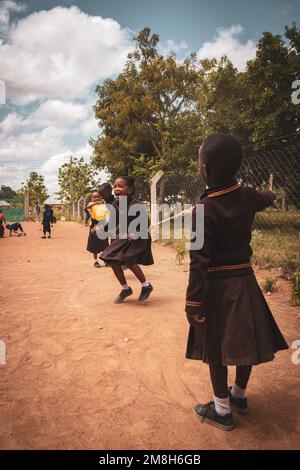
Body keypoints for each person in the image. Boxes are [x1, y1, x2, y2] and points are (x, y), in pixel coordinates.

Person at [185, 133, 288, 431]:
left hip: (217, 288)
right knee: (246, 341)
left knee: (214, 347)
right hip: (245, 281)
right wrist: (265, 193)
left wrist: (193, 301)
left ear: (205, 170)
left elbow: (199, 261)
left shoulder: (204, 209)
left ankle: (221, 410)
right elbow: (265, 197)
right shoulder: (246, 196)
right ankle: (239, 396)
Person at [100, 176, 154, 303]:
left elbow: (145, 223)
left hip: (138, 238)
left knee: (129, 260)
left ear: (129, 191)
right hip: (122, 238)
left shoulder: (137, 205)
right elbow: (112, 222)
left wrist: (134, 233)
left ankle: (146, 286)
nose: (116, 189)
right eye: (115, 186)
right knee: (111, 260)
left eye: (120, 186)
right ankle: (125, 289)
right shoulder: (115, 204)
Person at [85, 191, 110, 268]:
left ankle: (105, 260)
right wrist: (96, 203)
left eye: (98, 197)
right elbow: (86, 208)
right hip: (94, 224)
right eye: (94, 197)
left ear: (101, 197)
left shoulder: (105, 206)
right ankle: (95, 261)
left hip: (103, 225)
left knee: (104, 244)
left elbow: (107, 218)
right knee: (94, 245)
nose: (96, 198)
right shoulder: (91, 205)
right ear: (92, 198)